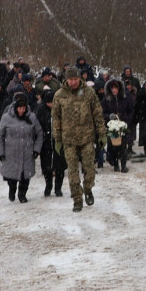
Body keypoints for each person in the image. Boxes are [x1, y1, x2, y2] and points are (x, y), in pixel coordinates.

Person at [52, 65, 107, 212]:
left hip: (87, 137)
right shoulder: (59, 95)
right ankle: (77, 198)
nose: (73, 82)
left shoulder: (89, 93)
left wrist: (102, 134)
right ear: (66, 80)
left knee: (89, 167)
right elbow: (56, 118)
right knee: (72, 170)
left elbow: (97, 114)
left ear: (80, 78)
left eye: (75, 79)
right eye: (70, 79)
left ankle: (88, 188)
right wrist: (57, 139)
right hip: (68, 140)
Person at [0, 93, 43, 203]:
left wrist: (36, 149)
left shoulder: (32, 117)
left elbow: (39, 133)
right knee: (12, 176)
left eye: (23, 108)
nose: (21, 111)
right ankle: (12, 190)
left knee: (25, 176)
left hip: (27, 152)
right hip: (11, 152)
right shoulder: (7, 118)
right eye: (19, 108)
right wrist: (0, 151)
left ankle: (22, 194)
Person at [36, 88, 67, 197]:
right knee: (46, 167)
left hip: (59, 143)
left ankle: (58, 188)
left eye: (52, 103)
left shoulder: (61, 109)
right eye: (49, 103)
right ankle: (48, 185)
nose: (51, 105)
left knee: (60, 167)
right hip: (46, 144)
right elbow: (36, 127)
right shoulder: (40, 110)